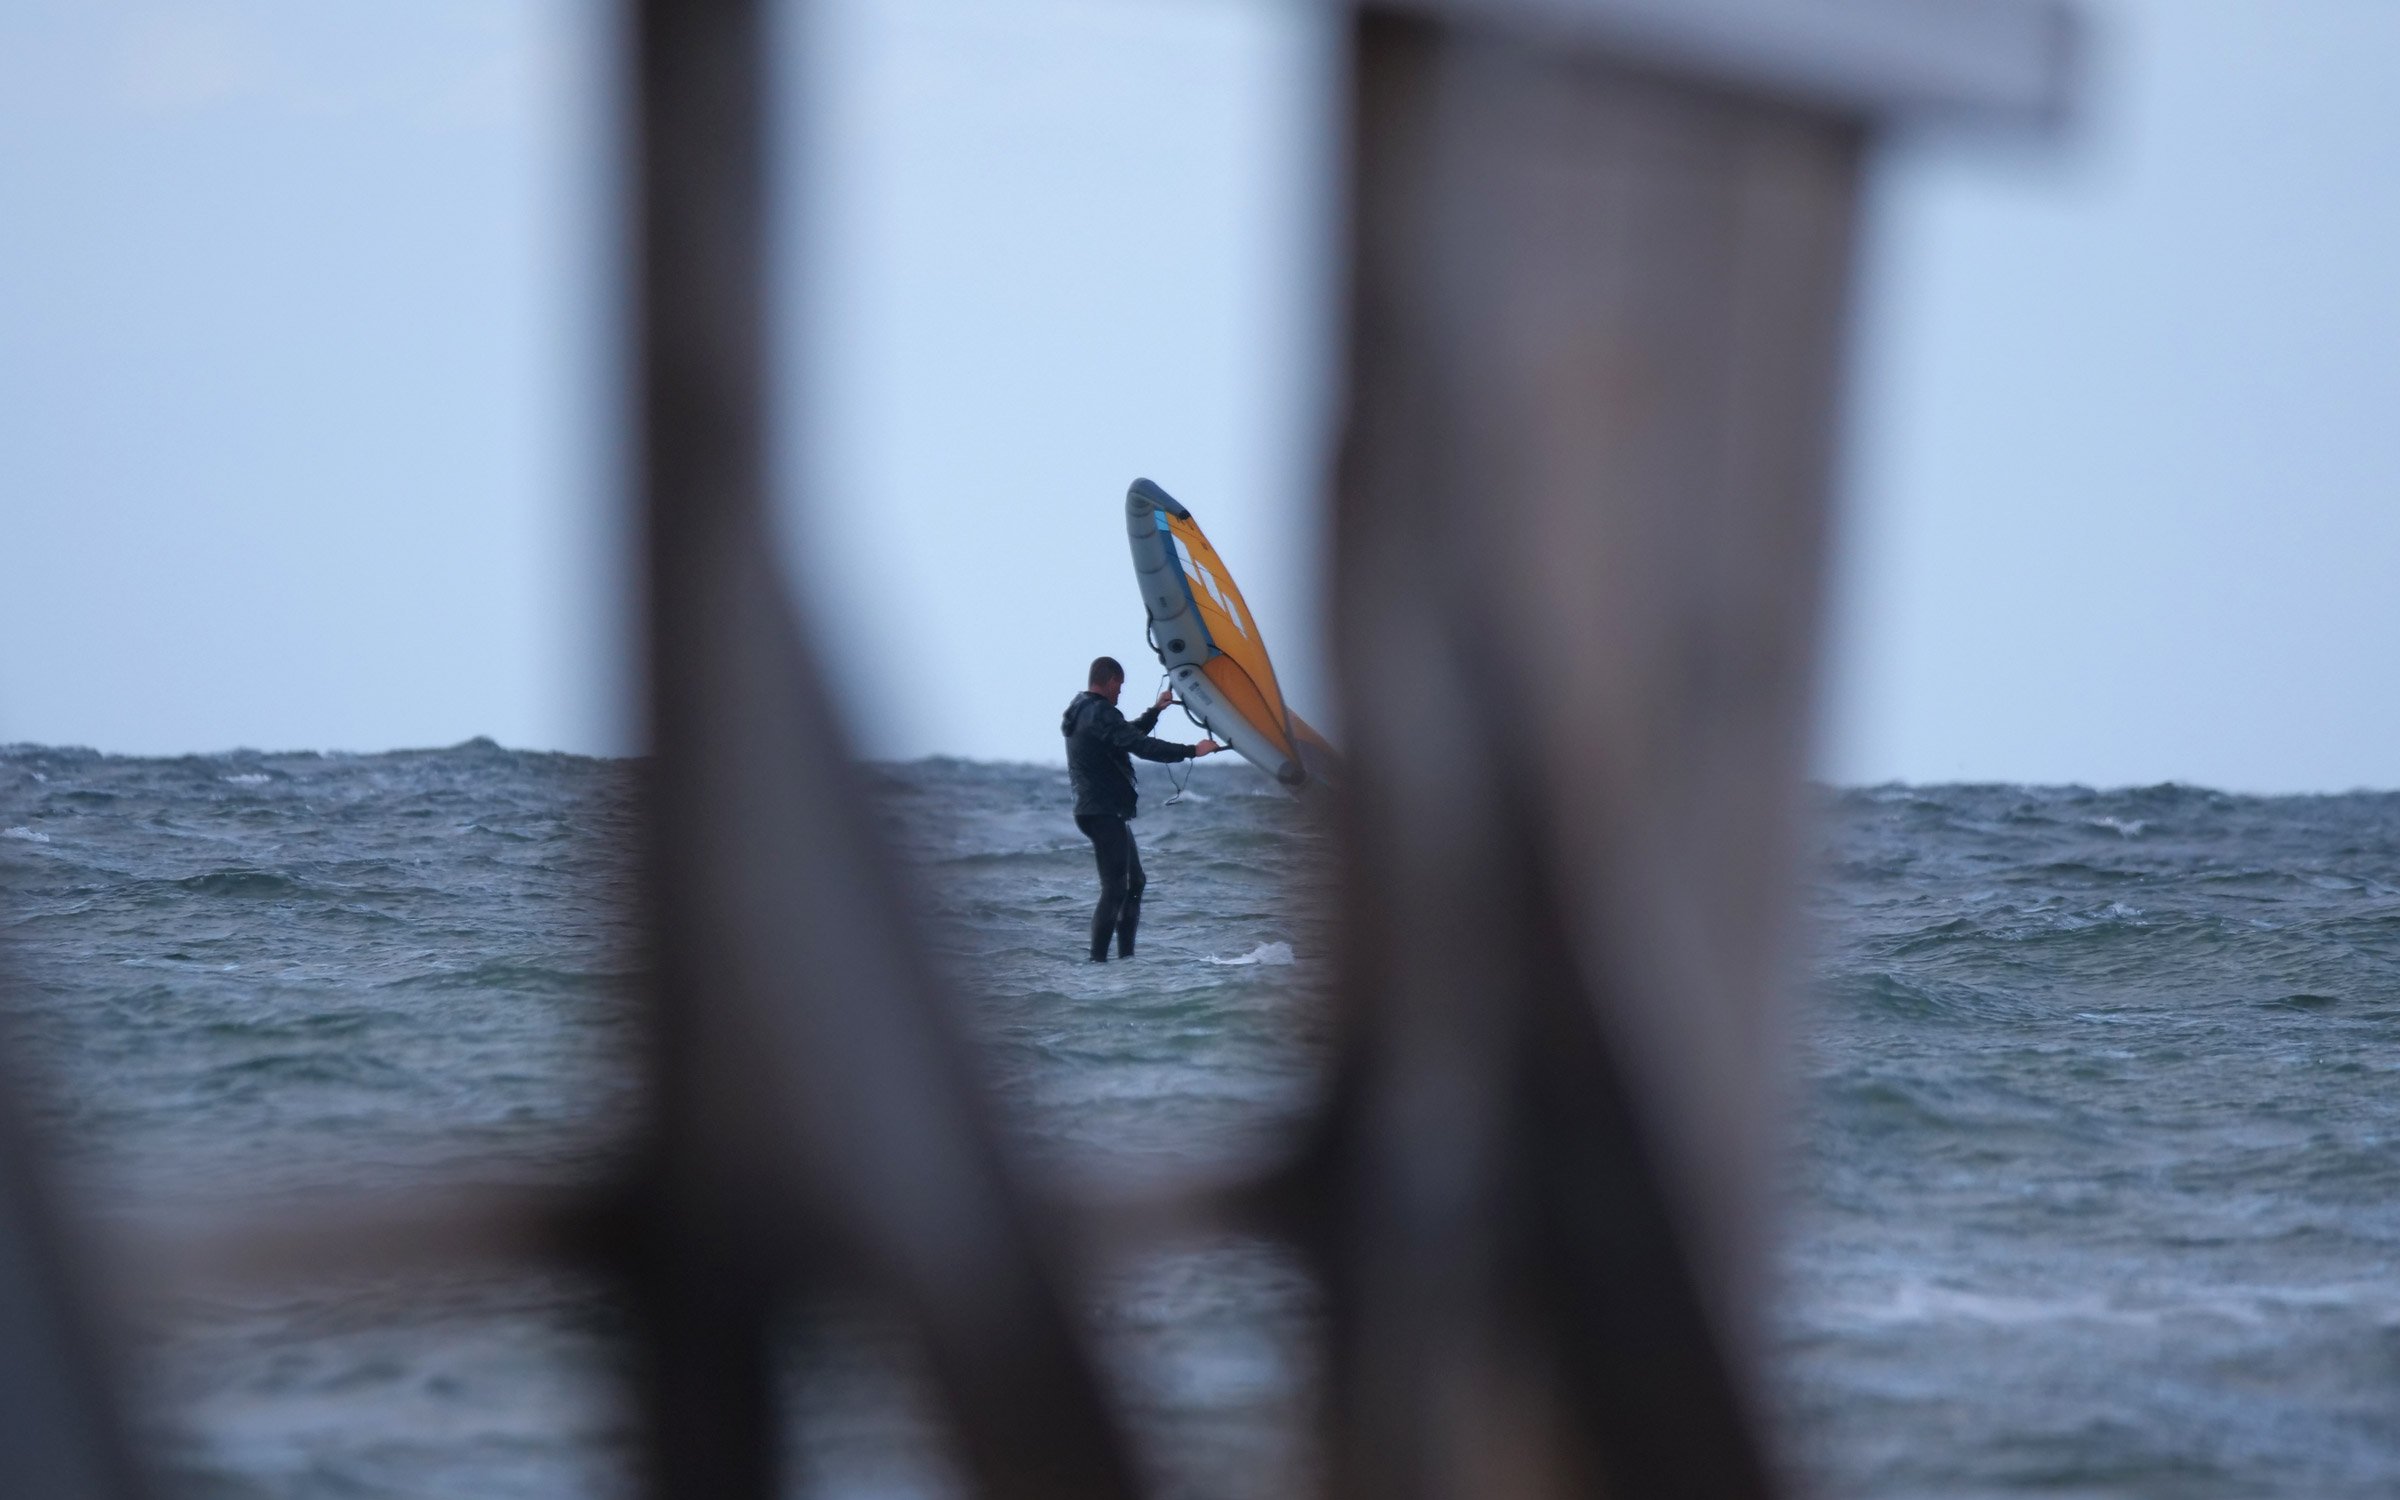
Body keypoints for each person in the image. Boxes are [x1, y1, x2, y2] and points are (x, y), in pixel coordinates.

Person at [1061, 655, 1219, 962]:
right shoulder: (1101, 713)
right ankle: (1098, 963)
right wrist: (1192, 751)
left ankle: (1126, 961)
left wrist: (1156, 711)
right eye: (1119, 686)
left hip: (1096, 811)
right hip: (1103, 812)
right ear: (1109, 681)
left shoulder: (1084, 709)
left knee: (1135, 883)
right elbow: (1141, 746)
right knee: (1115, 889)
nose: (1120, 692)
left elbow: (1127, 735)